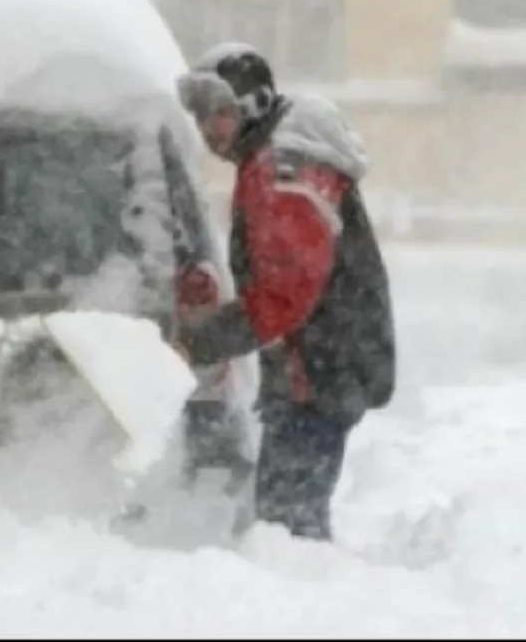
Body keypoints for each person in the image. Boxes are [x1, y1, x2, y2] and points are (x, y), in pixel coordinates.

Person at [170, 42, 397, 542]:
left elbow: (285, 294)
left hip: (318, 371)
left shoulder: (282, 172)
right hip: (321, 366)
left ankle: (304, 611)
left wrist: (201, 338)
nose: (210, 130)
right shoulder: (274, 162)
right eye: (204, 117)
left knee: (287, 524)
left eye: (221, 114)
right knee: (289, 517)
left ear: (254, 104)